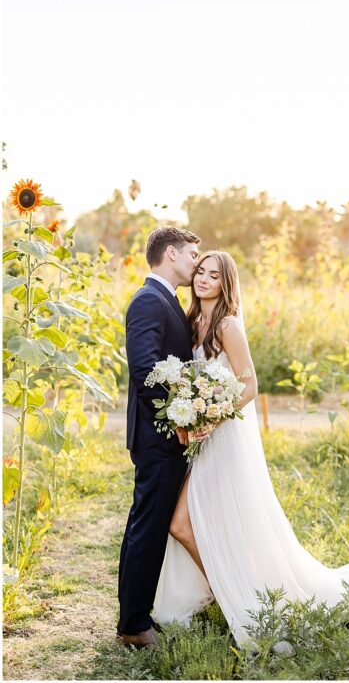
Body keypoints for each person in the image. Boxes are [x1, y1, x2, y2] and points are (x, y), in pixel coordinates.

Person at [151, 250, 349, 645]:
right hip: (203, 439)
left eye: (214, 275)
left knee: (182, 524)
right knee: (205, 523)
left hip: (225, 438)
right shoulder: (193, 321)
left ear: (226, 283)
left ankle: (232, 596)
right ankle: (226, 590)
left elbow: (249, 385)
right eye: (201, 272)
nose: (205, 279)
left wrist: (210, 416)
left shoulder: (227, 326)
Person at [118, 226, 201, 648]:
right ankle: (133, 624)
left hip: (165, 435)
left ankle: (137, 615)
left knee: (146, 523)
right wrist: (179, 419)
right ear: (170, 253)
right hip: (158, 436)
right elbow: (145, 370)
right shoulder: (149, 300)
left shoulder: (165, 299)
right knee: (147, 526)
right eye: (190, 254)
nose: (194, 263)